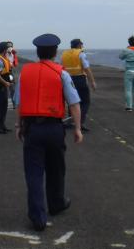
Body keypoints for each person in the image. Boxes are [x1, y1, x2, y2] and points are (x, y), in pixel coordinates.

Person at [13, 33, 83, 231]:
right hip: (54, 128)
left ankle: (38, 218)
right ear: (55, 52)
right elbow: (74, 104)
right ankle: (56, 203)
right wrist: (77, 128)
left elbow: (20, 103)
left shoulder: (25, 73)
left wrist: (19, 126)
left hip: (32, 128)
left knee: (34, 174)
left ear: (37, 52)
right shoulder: (61, 73)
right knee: (56, 169)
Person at [61, 38, 96, 131]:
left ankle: (71, 121)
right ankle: (80, 122)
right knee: (85, 102)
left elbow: (61, 67)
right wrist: (92, 81)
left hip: (67, 79)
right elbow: (87, 68)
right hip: (80, 79)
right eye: (81, 44)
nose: (82, 46)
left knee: (71, 101)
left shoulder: (65, 54)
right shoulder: (81, 53)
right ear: (78, 45)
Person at [6, 42, 19, 109]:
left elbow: (15, 64)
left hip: (10, 73)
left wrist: (14, 54)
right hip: (3, 73)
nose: (9, 47)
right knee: (3, 88)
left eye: (11, 46)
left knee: (12, 88)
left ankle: (14, 104)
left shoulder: (13, 54)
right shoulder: (3, 54)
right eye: (8, 46)